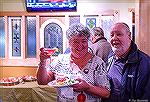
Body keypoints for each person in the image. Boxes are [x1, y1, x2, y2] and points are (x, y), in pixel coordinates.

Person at [37, 23, 110, 102]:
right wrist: (43, 61)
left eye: (84, 41)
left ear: (88, 42)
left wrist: (88, 87)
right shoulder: (60, 60)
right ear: (69, 43)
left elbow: (106, 93)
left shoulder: (97, 63)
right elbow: (42, 81)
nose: (80, 45)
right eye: (75, 42)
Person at [106, 22, 150, 102]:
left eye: (119, 34)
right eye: (111, 35)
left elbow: (146, 97)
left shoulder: (145, 62)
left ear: (129, 36)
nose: (114, 38)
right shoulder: (109, 58)